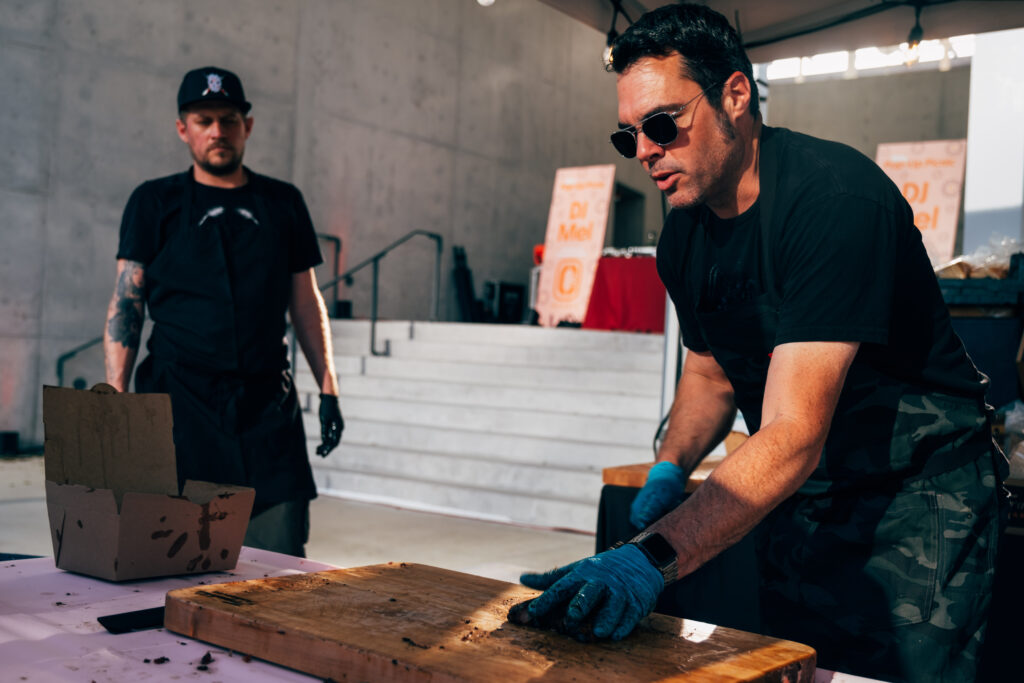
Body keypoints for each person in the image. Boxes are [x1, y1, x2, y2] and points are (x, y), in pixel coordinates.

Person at [520, 6, 1006, 681]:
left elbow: (792, 430)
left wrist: (652, 556)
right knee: (791, 669)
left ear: (735, 96)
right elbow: (712, 374)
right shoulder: (684, 237)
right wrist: (669, 469)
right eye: (627, 134)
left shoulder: (834, 200)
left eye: (662, 124)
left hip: (917, 506)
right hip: (798, 503)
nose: (645, 151)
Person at [103, 66, 344, 557]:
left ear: (247, 126)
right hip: (177, 408)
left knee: (277, 566)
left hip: (266, 410)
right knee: (170, 563)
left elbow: (305, 301)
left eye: (229, 119)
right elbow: (127, 301)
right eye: (205, 119)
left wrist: (328, 387)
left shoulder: (283, 203)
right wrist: (116, 399)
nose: (218, 131)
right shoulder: (154, 202)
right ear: (183, 128)